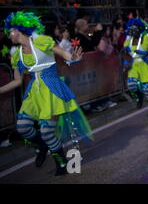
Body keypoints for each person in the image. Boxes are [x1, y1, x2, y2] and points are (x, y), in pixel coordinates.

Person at [0, 11, 92, 176]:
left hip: (51, 89)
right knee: (22, 127)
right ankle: (41, 145)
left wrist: (73, 58)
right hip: (34, 92)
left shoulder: (42, 41)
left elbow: (64, 54)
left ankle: (61, 162)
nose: (9, 34)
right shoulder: (16, 54)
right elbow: (17, 80)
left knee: (46, 131)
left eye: (11, 30)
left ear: (20, 29)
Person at [123, 18, 148, 117]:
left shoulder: (146, 38)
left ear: (139, 28)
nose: (133, 30)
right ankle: (139, 96)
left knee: (147, 88)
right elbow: (125, 53)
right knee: (131, 84)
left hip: (145, 64)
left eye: (135, 28)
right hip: (134, 65)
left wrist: (147, 52)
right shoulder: (129, 40)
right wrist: (125, 61)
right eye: (131, 28)